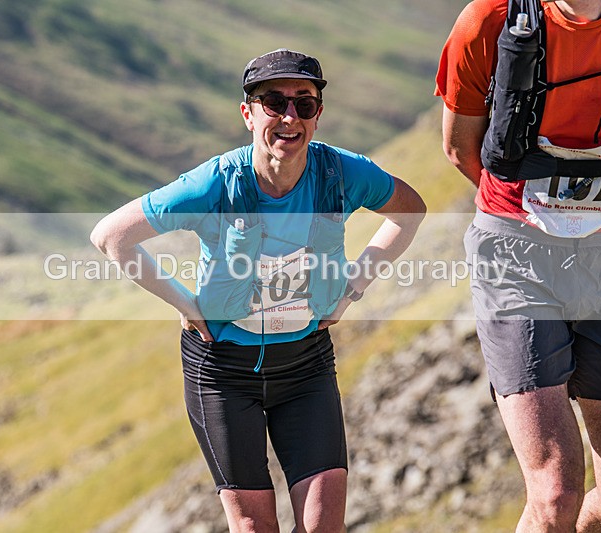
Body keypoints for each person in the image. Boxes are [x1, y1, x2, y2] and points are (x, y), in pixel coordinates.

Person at [91, 48, 426, 532]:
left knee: (323, 526)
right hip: (223, 371)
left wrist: (354, 286)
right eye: (274, 103)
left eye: (304, 104)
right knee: (254, 528)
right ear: (248, 114)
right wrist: (184, 304)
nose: (290, 117)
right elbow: (111, 236)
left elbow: (410, 211)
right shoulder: (214, 183)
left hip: (306, 364)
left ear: (318, 114)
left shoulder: (342, 173)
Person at [436, 0, 601, 530]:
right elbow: (459, 146)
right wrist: (540, 215)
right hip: (515, 255)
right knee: (554, 495)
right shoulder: (490, 19)